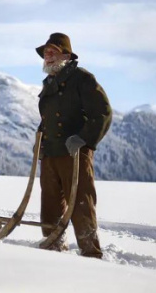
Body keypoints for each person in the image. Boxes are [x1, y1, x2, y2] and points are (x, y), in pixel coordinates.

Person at [35, 32, 112, 259]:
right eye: (46, 53)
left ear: (66, 55)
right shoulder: (49, 82)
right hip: (51, 153)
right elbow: (47, 118)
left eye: (53, 52)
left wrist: (84, 137)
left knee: (80, 204)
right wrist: (40, 140)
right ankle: (52, 246)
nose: (47, 57)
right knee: (49, 205)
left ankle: (90, 252)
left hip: (74, 153)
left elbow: (103, 113)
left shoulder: (82, 79)